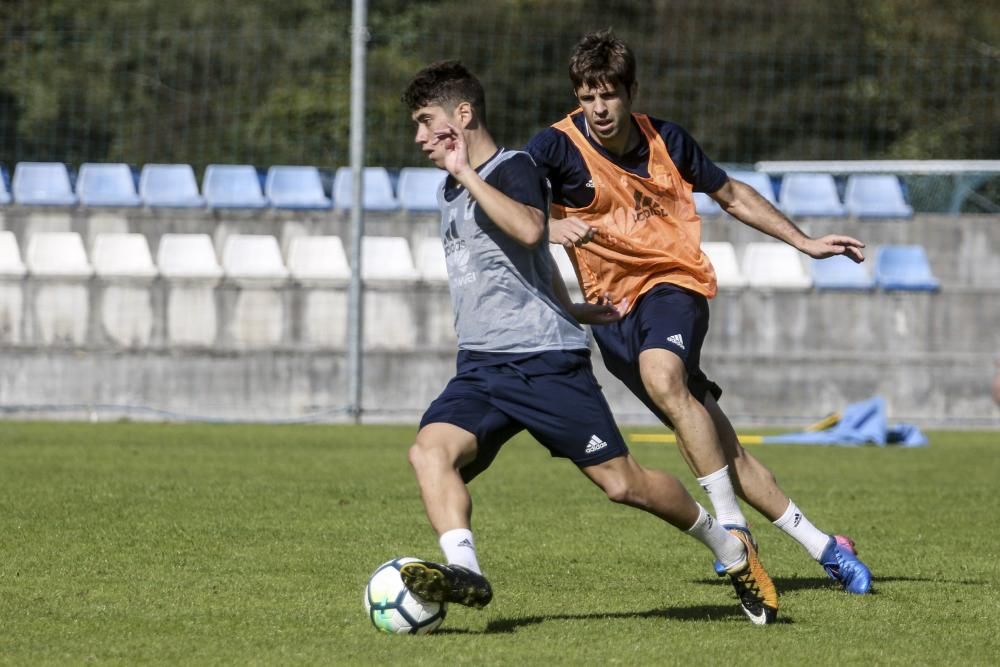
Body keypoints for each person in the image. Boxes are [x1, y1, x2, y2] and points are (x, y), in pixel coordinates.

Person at [398, 60, 779, 625]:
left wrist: (470, 175)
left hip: (545, 362)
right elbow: (533, 257)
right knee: (429, 452)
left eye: (427, 122)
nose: (420, 137)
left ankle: (730, 550)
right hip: (481, 366)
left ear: (463, 114)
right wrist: (570, 302)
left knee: (625, 486)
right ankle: (466, 571)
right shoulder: (449, 188)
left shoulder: (514, 168)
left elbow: (531, 229)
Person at [526, 29, 872, 594]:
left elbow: (731, 194)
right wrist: (548, 224)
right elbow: (508, 203)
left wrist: (805, 242)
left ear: (630, 91)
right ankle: (826, 548)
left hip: (672, 286)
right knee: (719, 445)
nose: (598, 108)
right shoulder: (553, 148)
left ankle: (730, 526)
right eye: (587, 96)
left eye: (608, 94)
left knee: (664, 377)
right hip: (611, 315)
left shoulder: (667, 139)